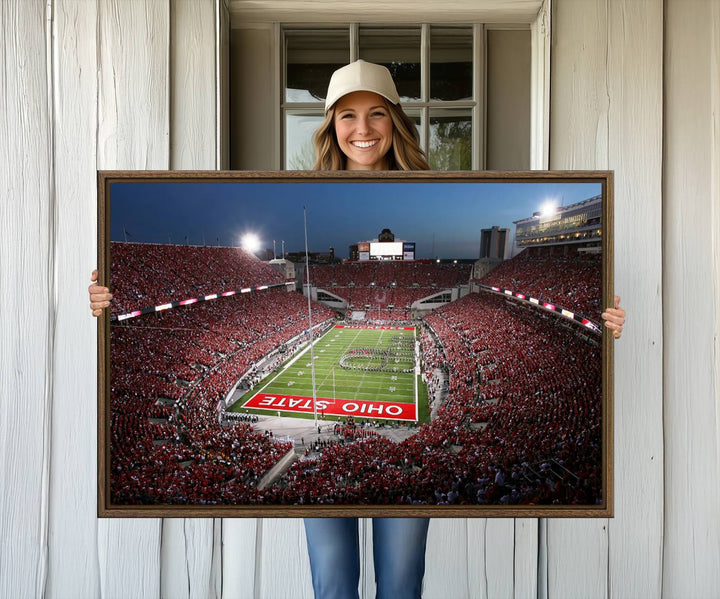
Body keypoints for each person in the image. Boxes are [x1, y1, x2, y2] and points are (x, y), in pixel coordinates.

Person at [88, 60, 627, 599]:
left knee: (399, 583)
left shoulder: (439, 184)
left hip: (399, 488)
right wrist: (108, 295)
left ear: (395, 120)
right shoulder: (303, 187)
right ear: (330, 125)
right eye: (348, 115)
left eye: (376, 114)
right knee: (333, 584)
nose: (362, 129)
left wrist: (605, 322)